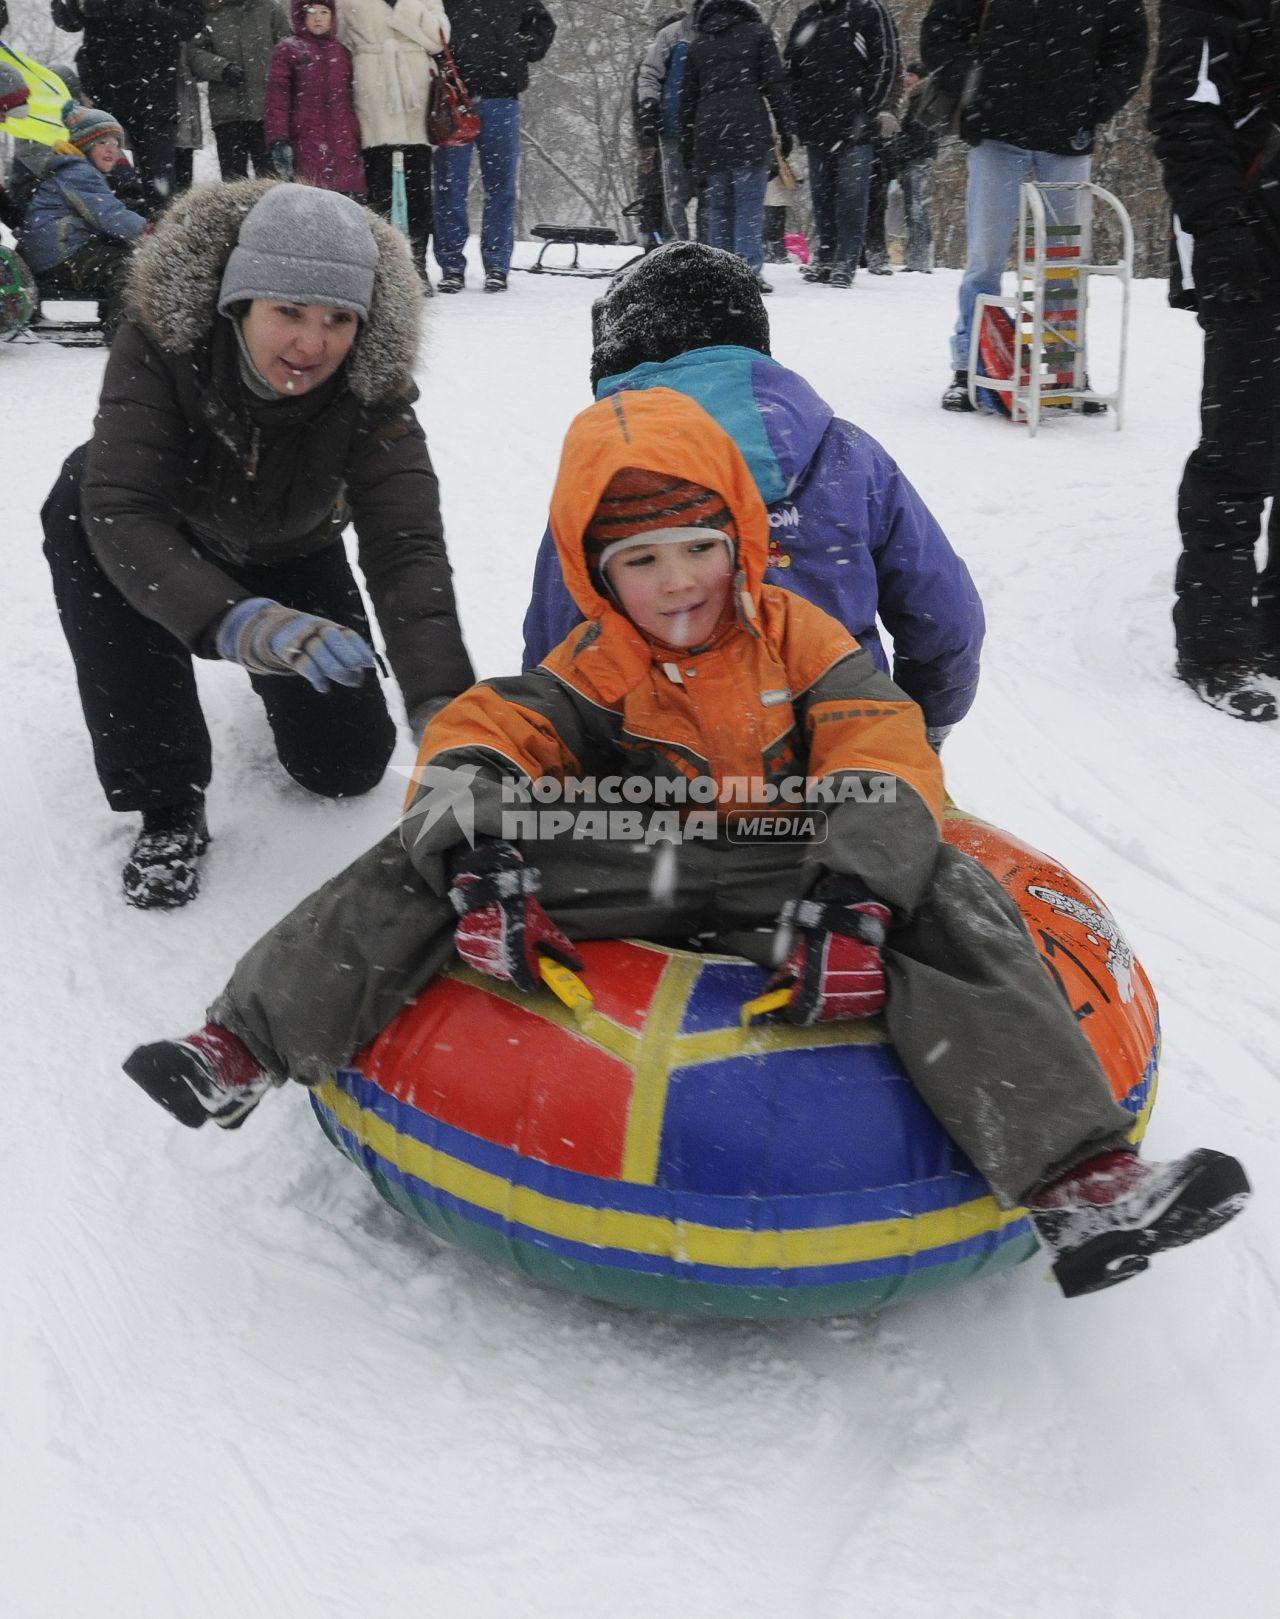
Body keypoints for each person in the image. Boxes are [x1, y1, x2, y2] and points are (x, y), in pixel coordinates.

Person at [123, 385, 1250, 1301]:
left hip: (788, 861)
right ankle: (247, 1046)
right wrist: (478, 857)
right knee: (415, 853)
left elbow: (881, 741)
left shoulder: (798, 637)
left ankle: (1079, 1183)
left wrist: (856, 890)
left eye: (696, 547)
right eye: (639, 561)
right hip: (640, 859)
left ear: (737, 541)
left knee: (948, 890)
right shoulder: (590, 667)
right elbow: (486, 730)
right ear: (596, 574)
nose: (675, 582)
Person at [40, 180, 474, 909]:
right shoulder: (162, 343)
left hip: (291, 544)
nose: (313, 342)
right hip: (158, 529)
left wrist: (448, 714)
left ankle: (273, 660)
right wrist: (237, 620)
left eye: (339, 317)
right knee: (84, 512)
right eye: (289, 313)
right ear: (240, 302)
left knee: (345, 766)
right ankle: (167, 797)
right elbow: (123, 506)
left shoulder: (372, 387)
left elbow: (407, 549)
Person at [523, 242, 984, 746]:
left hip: (668, 767)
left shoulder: (606, 482)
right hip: (842, 746)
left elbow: (558, 643)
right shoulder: (847, 455)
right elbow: (943, 614)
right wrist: (923, 723)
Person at [1148, 0, 1280, 723]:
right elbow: (1183, 114)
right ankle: (1219, 645)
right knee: (1241, 452)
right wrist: (1224, 230)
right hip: (1248, 248)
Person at [921, 0, 1147, 410]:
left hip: (1068, 133)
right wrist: (974, 85)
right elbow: (941, 30)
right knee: (984, 261)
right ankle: (969, 369)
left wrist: (1096, 100)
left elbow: (1129, 49)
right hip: (994, 131)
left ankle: (1064, 373)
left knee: (1066, 263)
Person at [432, 0, 556, 294]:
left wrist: (519, 46)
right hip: (455, 98)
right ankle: (451, 266)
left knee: (501, 187)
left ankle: (497, 265)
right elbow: (426, 29)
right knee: (450, 186)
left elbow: (543, 25)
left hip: (503, 98)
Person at [785, 0, 899, 289]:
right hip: (816, 123)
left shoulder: (868, 10)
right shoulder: (808, 17)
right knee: (822, 195)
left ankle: (845, 262)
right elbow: (791, 68)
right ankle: (825, 255)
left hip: (855, 125)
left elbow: (885, 61)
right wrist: (798, 113)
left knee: (852, 196)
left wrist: (868, 106)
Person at [49, 0, 206, 209]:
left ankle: (160, 233)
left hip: (155, 90)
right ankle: (114, 235)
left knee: (160, 186)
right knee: (106, 183)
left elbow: (191, 23)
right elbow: (66, 19)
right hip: (103, 88)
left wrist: (143, 9)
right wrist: (81, 5)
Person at [679, 0, 791, 291]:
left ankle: (719, 271)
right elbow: (776, 85)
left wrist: (687, 143)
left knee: (719, 206)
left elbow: (687, 99)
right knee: (749, 204)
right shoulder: (758, 34)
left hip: (710, 134)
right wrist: (786, 126)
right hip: (749, 129)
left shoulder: (698, 45)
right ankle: (747, 269)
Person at [337, 0, 448, 288]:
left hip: (416, 88)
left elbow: (440, 39)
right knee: (378, 185)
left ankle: (418, 263)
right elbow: (333, 34)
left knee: (419, 188)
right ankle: (383, 265)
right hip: (372, 85)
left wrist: (407, 6)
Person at [10, 104, 148, 335]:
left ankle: (118, 317)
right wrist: (147, 229)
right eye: (103, 142)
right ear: (84, 145)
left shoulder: (74, 170)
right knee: (126, 266)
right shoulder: (79, 173)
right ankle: (126, 331)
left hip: (51, 251)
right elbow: (110, 216)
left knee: (115, 253)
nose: (111, 150)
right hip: (59, 255)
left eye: (116, 144)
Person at [265, 0, 365, 198]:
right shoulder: (288, 50)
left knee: (345, 202)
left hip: (343, 141)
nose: (318, 18)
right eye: (311, 12)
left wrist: (356, 134)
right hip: (305, 139)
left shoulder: (342, 52)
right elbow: (277, 99)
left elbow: (354, 98)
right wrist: (279, 139)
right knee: (310, 199)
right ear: (301, 16)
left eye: (324, 11)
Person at [187, 0, 290, 180]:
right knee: (233, 186)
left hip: (267, 112)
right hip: (227, 114)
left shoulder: (269, 9)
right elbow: (194, 53)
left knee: (272, 183)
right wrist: (222, 68)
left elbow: (288, 51)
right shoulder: (210, 11)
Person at [636, 8, 697, 244]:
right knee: (673, 194)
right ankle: (676, 247)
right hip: (674, 128)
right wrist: (650, 109)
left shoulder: (718, 34)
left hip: (701, 128)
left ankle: (702, 249)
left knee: (701, 196)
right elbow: (648, 77)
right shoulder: (671, 36)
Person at [893, 59, 939, 273]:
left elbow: (920, 134)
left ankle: (919, 260)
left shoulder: (921, 98)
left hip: (917, 159)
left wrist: (900, 150)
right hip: (919, 157)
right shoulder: (920, 98)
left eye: (910, 75)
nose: (906, 79)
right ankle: (922, 258)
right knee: (916, 207)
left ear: (919, 78)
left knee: (916, 208)